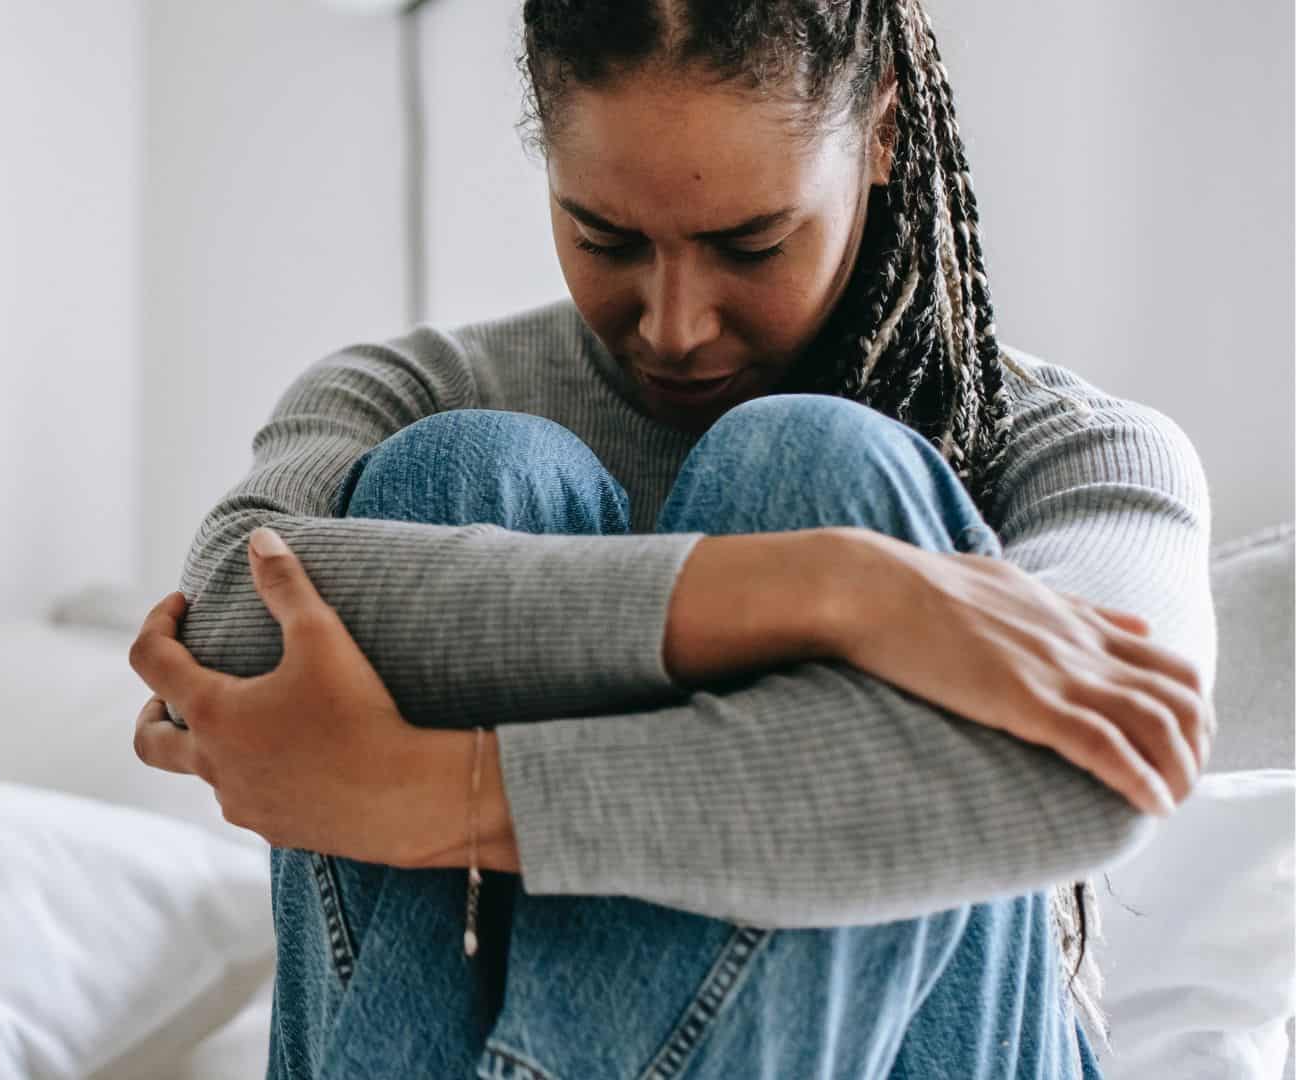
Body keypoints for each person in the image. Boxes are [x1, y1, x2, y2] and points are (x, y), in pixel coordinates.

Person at [128, 0, 1216, 1076]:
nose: (674, 322)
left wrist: (433, 794)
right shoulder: (412, 388)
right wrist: (839, 590)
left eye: (751, 244)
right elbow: (226, 613)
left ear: (882, 133)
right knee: (462, 473)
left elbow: (1105, 770)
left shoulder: (1071, 449)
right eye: (605, 238)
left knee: (820, 468)